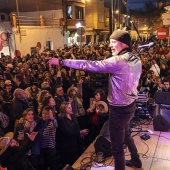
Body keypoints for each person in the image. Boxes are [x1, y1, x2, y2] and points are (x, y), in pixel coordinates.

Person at [47, 30, 142, 170]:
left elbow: (89, 65)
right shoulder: (135, 58)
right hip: (130, 105)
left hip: (119, 109)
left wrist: (61, 61)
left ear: (123, 44)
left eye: (113, 42)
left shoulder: (118, 61)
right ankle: (136, 160)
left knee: (117, 148)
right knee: (127, 134)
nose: (110, 45)